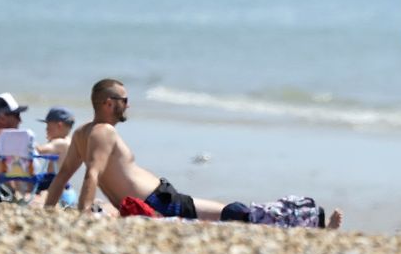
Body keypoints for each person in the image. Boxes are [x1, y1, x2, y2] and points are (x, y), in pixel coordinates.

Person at [42, 79, 341, 229]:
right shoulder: (103, 132)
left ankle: (309, 224)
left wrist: (48, 214)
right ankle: (311, 220)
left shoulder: (81, 133)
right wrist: (81, 220)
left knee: (231, 215)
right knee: (234, 213)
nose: (128, 105)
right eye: (124, 100)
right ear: (108, 103)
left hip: (148, 204)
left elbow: (63, 176)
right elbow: (91, 174)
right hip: (161, 201)